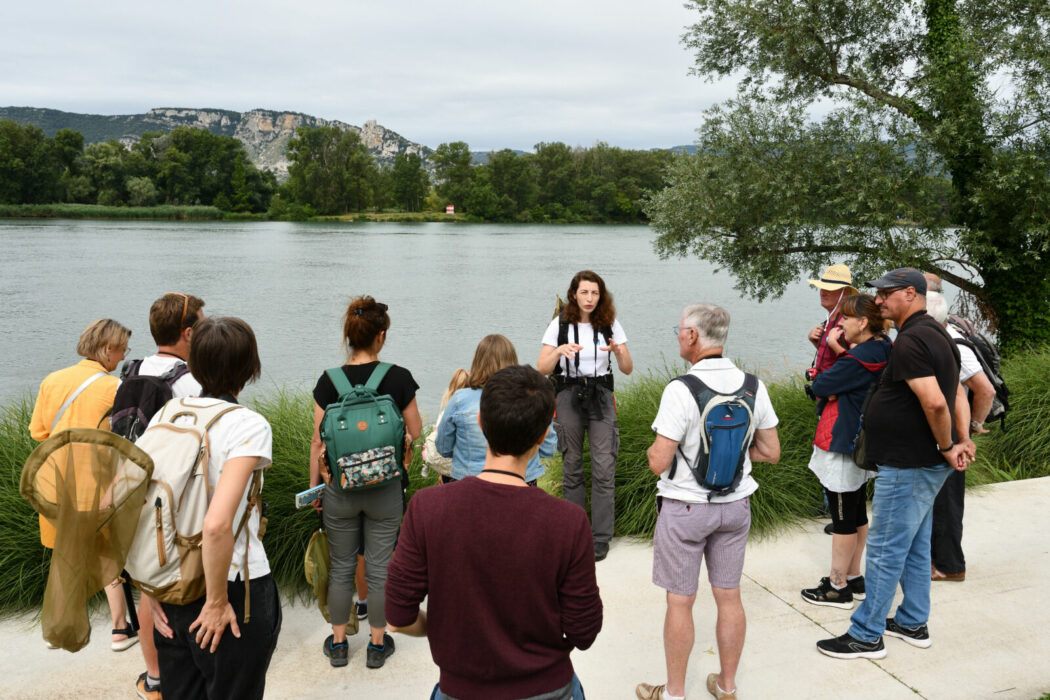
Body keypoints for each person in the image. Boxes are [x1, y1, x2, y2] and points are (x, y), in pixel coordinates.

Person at [386, 365, 603, 700]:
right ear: (544, 435)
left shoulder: (428, 508)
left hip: (460, 688)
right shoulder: (568, 521)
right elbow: (584, 631)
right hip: (549, 687)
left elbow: (398, 616)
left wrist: (439, 629)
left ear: (481, 423)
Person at [817, 268, 975, 660]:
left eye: (886, 294)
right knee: (917, 548)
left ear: (910, 293)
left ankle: (866, 634)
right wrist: (964, 437)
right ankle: (911, 620)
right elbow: (956, 391)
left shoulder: (911, 341)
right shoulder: (939, 332)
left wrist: (945, 445)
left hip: (911, 464)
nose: (879, 301)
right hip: (922, 462)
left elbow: (935, 401)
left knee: (886, 549)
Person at [636, 304, 780, 700]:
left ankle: (674, 694)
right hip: (736, 507)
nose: (678, 335)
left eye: (679, 329)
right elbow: (771, 452)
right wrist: (731, 455)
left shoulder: (680, 390)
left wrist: (654, 451)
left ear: (693, 336)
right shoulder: (753, 386)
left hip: (685, 509)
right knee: (728, 595)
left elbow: (658, 462)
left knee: (680, 602)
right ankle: (727, 686)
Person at [146, 316, 281, 699]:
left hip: (172, 585)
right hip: (234, 590)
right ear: (250, 367)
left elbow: (137, 506)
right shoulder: (247, 425)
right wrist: (218, 602)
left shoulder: (168, 415)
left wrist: (149, 587)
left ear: (194, 363)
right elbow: (218, 525)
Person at [309, 296, 422, 669]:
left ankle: (339, 644)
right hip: (386, 489)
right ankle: (377, 645)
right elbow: (416, 430)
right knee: (380, 568)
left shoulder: (329, 381)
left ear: (349, 335)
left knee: (342, 566)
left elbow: (318, 442)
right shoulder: (399, 377)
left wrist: (317, 488)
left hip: (340, 489)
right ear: (381, 336)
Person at [29, 318, 137, 652]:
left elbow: (40, 433)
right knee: (106, 555)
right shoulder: (114, 388)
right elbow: (122, 441)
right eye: (122, 350)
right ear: (107, 349)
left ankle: (58, 627)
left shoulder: (52, 380)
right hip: (97, 483)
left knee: (66, 555)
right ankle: (120, 630)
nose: (122, 357)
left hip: (56, 482)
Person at [130, 292, 206, 700]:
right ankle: (189, 668)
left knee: (147, 585)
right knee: (183, 584)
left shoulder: (131, 369)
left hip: (135, 494)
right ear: (188, 332)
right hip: (174, 499)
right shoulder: (188, 381)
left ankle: (154, 677)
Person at [799, 294, 892, 609]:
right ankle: (853, 576)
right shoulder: (882, 348)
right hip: (863, 439)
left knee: (841, 516)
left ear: (862, 323)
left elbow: (821, 385)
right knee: (855, 510)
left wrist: (825, 371)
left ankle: (837, 586)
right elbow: (847, 374)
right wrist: (841, 352)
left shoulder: (857, 358)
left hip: (842, 439)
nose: (840, 325)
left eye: (846, 320)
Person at [538, 270, 633, 561]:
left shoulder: (611, 324)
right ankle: (576, 534)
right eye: (584, 293)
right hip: (568, 394)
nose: (589, 298)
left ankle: (601, 537)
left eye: (594, 293)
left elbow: (628, 368)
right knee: (572, 466)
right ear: (574, 295)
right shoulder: (560, 325)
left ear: (600, 295)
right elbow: (541, 367)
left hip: (601, 396)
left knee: (604, 468)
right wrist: (559, 352)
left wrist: (618, 351)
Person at [926, 290, 995, 583]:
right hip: (949, 429)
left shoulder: (953, 345)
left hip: (952, 431)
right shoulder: (942, 339)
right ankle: (940, 562)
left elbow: (985, 389)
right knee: (939, 500)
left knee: (947, 501)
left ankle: (950, 566)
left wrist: (972, 428)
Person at [437, 334, 558, 486]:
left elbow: (443, 447)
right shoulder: (531, 398)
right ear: (512, 362)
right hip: (522, 480)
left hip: (468, 481)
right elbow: (549, 448)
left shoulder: (460, 399)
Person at [806, 264, 858, 375]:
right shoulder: (829, 321)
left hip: (838, 390)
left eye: (829, 289)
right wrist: (816, 342)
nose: (823, 292)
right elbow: (833, 357)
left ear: (845, 293)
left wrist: (833, 343)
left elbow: (856, 363)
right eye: (822, 288)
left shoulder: (849, 323)